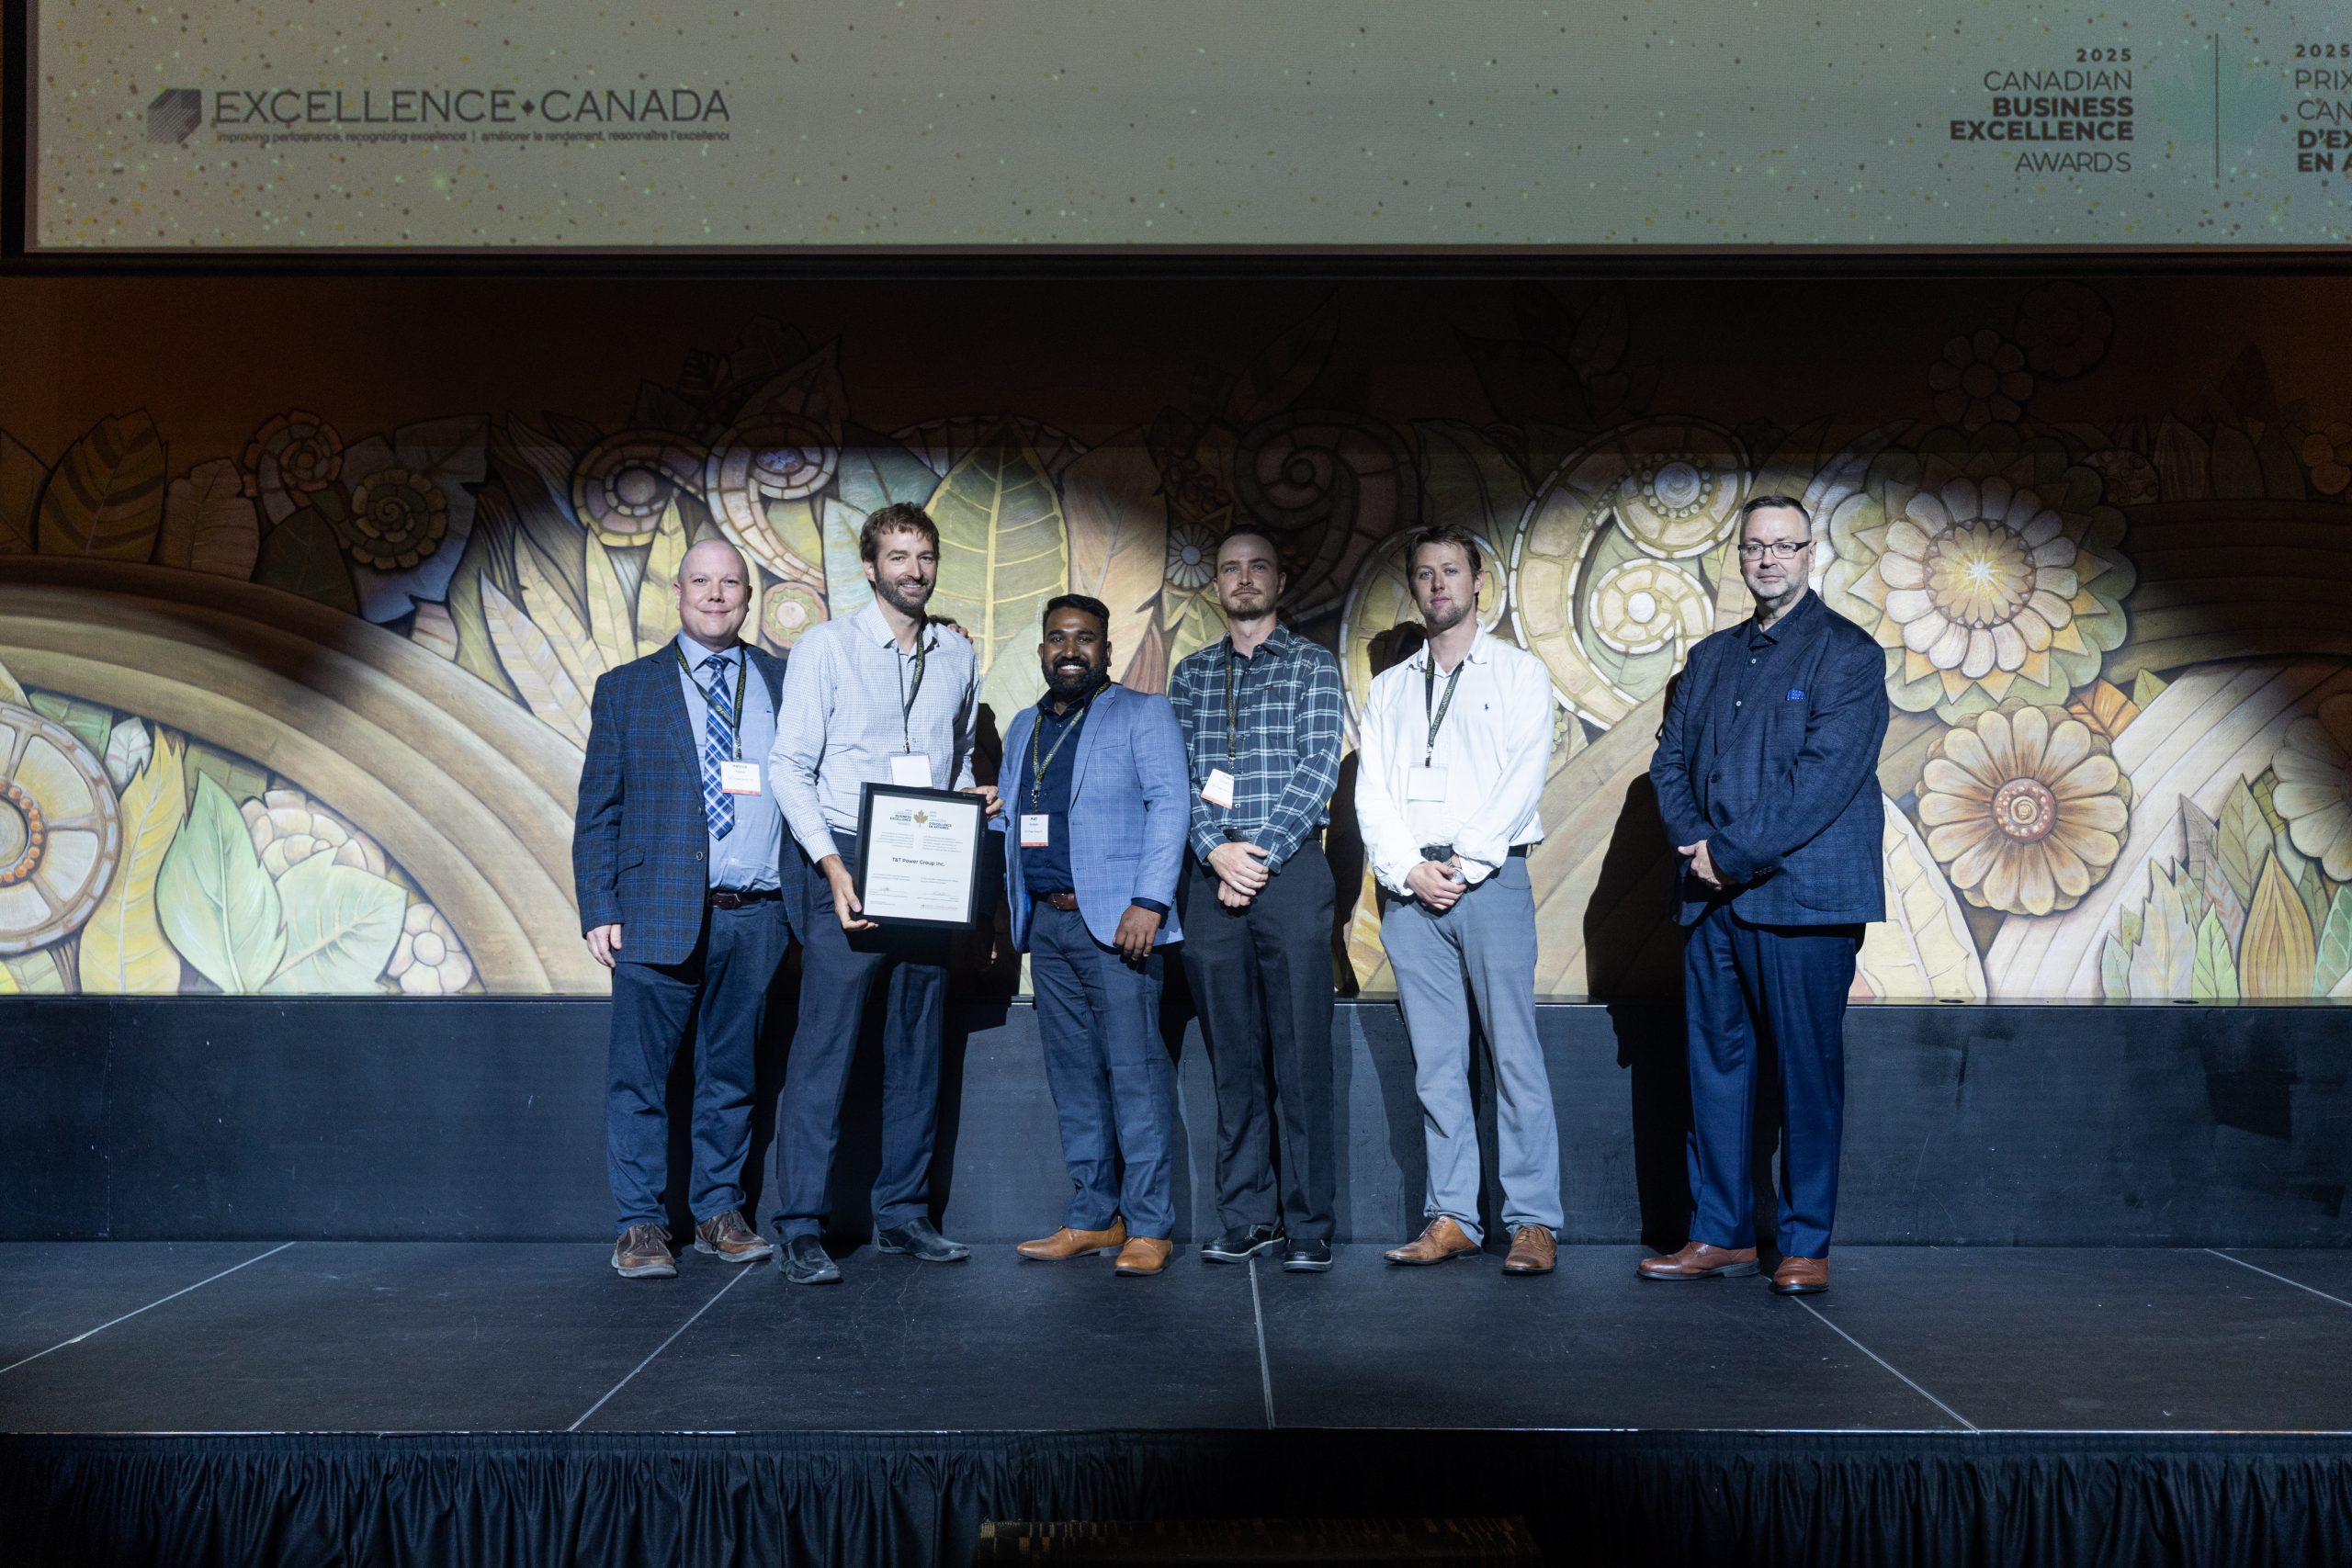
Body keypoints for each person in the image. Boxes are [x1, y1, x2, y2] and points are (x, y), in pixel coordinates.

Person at [1639, 495, 1888, 1296]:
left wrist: (1730, 854)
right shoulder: (1710, 657)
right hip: (1709, 898)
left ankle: (1805, 1241)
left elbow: (1823, 780)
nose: (1768, 559)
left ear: (1811, 554)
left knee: (1807, 1073)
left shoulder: (1849, 654)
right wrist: (1697, 846)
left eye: (1784, 546)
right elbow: (1668, 762)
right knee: (1715, 1068)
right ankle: (1722, 1233)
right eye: (1754, 547)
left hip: (1803, 901)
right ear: (1740, 557)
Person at [764, 502, 1001, 1285]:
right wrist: (833, 866)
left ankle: (902, 1214)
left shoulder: (956, 653)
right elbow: (788, 767)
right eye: (898, 556)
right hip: (849, 855)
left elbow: (957, 758)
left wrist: (971, 799)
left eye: (924, 556)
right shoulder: (826, 646)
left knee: (917, 1045)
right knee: (825, 1048)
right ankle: (801, 1225)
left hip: (927, 857)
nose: (914, 570)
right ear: (869, 567)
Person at [574, 538, 789, 1279]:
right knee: (640, 1079)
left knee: (731, 1074)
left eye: (730, 582)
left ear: (748, 596)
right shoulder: (626, 688)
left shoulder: (783, 680)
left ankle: (718, 1211)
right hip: (654, 911)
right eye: (702, 580)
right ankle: (639, 1224)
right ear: (678, 591)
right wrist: (598, 905)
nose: (716, 594)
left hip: (757, 914)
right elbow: (598, 809)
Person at [1354, 523, 1559, 1276]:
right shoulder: (1390, 687)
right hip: (1412, 893)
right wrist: (1410, 869)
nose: (1438, 583)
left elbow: (1521, 780)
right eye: (1424, 572)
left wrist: (1464, 864)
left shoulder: (1519, 674)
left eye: (1451, 570)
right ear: (1414, 587)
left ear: (1477, 582)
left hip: (1490, 881)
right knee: (1437, 1065)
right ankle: (1453, 1216)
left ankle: (1533, 1219)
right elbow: (1372, 792)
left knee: (1514, 1056)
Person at [1166, 525, 1344, 1273]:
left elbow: (1319, 766)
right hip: (1210, 875)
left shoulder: (1313, 665)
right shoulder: (1190, 674)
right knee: (1232, 1056)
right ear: (1216, 583)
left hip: (1290, 870)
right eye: (1231, 567)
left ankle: (1308, 1222)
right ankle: (1248, 1215)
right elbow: (1174, 773)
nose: (1244, 578)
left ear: (1279, 581)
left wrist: (1258, 853)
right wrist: (1215, 849)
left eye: (1258, 566)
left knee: (1300, 1053)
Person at [998, 595, 1190, 1277]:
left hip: (1117, 923)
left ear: (1107, 650)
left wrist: (1149, 901)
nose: (1070, 650)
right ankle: (1093, 1215)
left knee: (1134, 1075)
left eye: (1085, 639)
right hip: (1046, 923)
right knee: (1072, 1074)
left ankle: (1150, 1225)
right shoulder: (1023, 726)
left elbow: (1171, 804)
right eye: (1058, 638)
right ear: (1042, 650)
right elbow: (1013, 819)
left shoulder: (1143, 712)